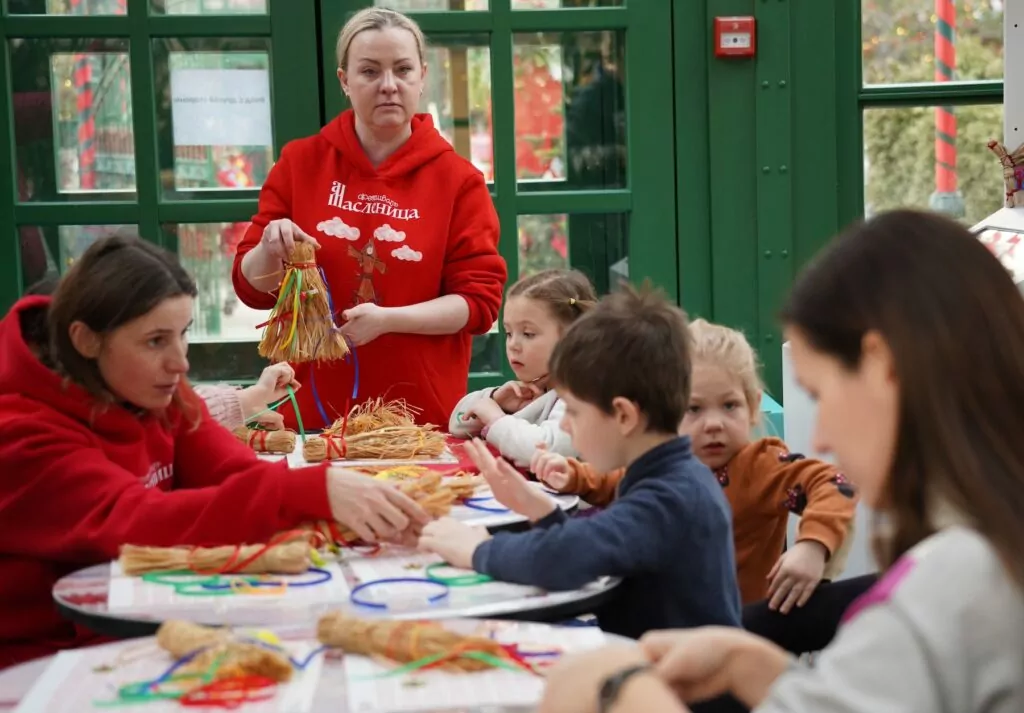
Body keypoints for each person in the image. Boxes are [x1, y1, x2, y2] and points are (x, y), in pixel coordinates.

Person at [538, 210, 1024, 713]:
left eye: (819, 393)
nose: (822, 436)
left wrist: (617, 688)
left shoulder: (961, 579)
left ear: (883, 368)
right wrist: (753, 668)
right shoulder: (984, 555)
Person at [0, 236, 430, 669]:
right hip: (45, 663)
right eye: (155, 341)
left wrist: (327, 499)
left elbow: (229, 468)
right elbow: (133, 519)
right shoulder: (21, 433)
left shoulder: (143, 385)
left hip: (142, 627)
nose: (180, 362)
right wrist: (308, 491)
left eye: (182, 335)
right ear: (86, 341)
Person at [232, 7, 506, 430]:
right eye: (370, 71)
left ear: (422, 77)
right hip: (307, 418)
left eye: (402, 70)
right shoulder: (300, 163)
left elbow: (479, 304)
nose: (389, 86)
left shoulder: (459, 181)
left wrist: (389, 320)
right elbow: (250, 288)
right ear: (344, 80)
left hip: (419, 426)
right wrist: (269, 249)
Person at [419, 285, 741, 641]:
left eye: (572, 411)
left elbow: (570, 557)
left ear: (623, 416)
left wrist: (477, 550)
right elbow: (610, 545)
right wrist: (543, 512)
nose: (567, 426)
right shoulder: (669, 476)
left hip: (684, 691)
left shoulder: (671, 495)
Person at [534, 318, 858, 608]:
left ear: (753, 405)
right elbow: (616, 480)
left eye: (730, 406)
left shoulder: (762, 465)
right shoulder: (669, 461)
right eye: (694, 409)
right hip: (672, 618)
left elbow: (835, 483)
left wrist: (813, 546)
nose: (714, 424)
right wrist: (574, 474)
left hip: (740, 630)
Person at [448, 269, 597, 467]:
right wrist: (496, 399)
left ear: (572, 337)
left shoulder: (586, 392)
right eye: (509, 333)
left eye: (528, 334)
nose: (513, 345)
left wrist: (496, 419)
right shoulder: (538, 384)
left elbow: (546, 450)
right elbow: (457, 425)